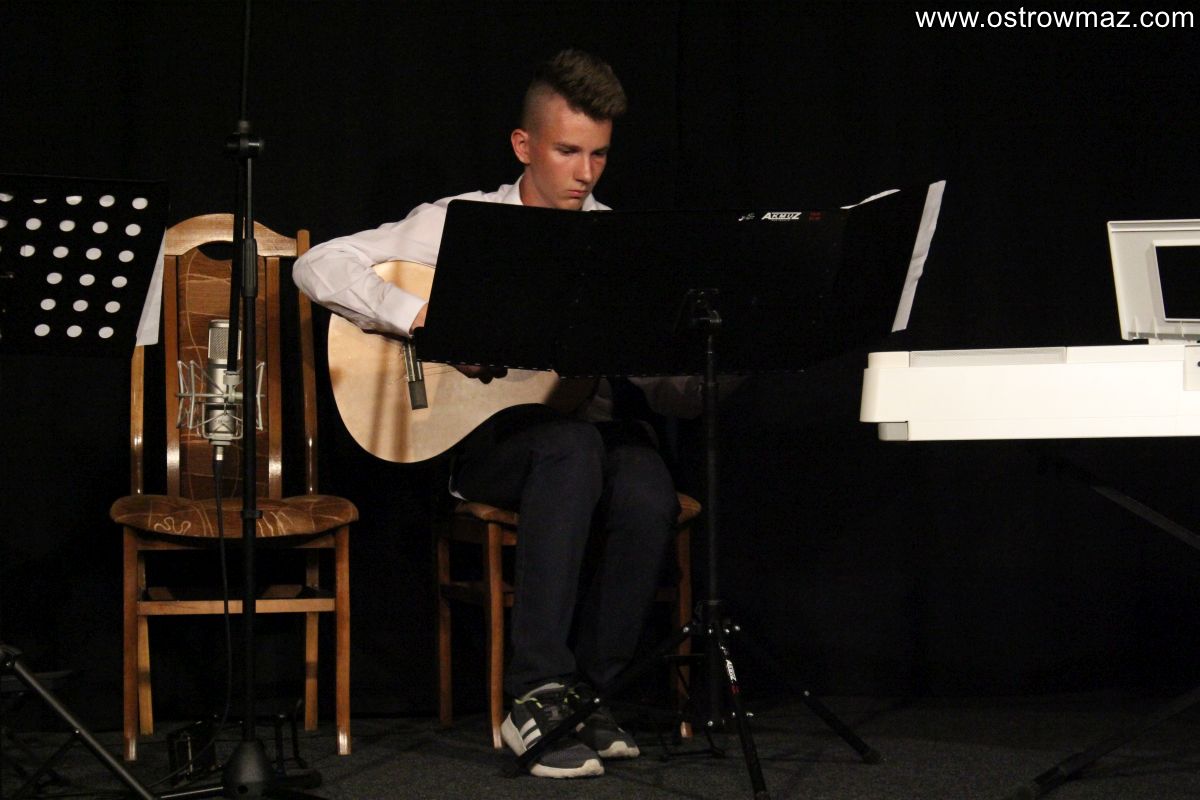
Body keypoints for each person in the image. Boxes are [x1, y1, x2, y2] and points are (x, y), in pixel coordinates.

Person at [294, 49, 696, 779]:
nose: (585, 173)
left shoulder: (620, 244)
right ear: (523, 145)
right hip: (489, 446)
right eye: (567, 151)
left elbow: (668, 390)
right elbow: (317, 263)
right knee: (570, 449)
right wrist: (421, 319)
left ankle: (590, 693)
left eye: (599, 154)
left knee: (646, 482)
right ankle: (535, 691)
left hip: (584, 439)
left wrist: (709, 359)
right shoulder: (461, 222)